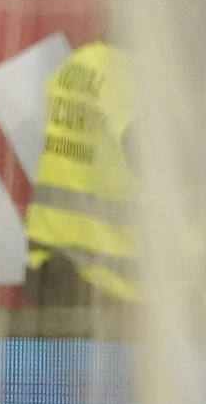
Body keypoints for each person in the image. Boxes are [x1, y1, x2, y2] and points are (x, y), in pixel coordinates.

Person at [23, 39, 137, 306]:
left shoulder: (78, 64)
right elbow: (145, 150)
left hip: (52, 262)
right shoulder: (131, 75)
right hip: (113, 281)